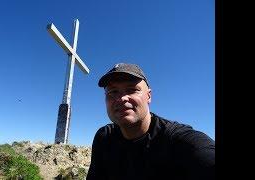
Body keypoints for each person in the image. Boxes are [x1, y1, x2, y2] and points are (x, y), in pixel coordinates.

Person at [86, 63, 215, 180]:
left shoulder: (177, 140)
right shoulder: (104, 137)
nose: (121, 98)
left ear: (149, 96)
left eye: (132, 89)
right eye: (113, 92)